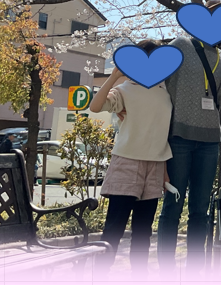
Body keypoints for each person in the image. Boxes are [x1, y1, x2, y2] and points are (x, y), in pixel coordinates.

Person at [157, 0, 221, 276]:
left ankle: (196, 270)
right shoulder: (181, 45)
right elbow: (158, 77)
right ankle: (165, 270)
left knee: (200, 208)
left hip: (209, 138)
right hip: (179, 134)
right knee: (173, 204)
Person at [89, 39, 173, 275]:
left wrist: (165, 170)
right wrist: (114, 76)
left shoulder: (165, 90)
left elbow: (162, 131)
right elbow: (95, 107)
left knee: (143, 231)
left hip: (155, 165)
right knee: (114, 227)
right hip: (127, 161)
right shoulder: (125, 89)